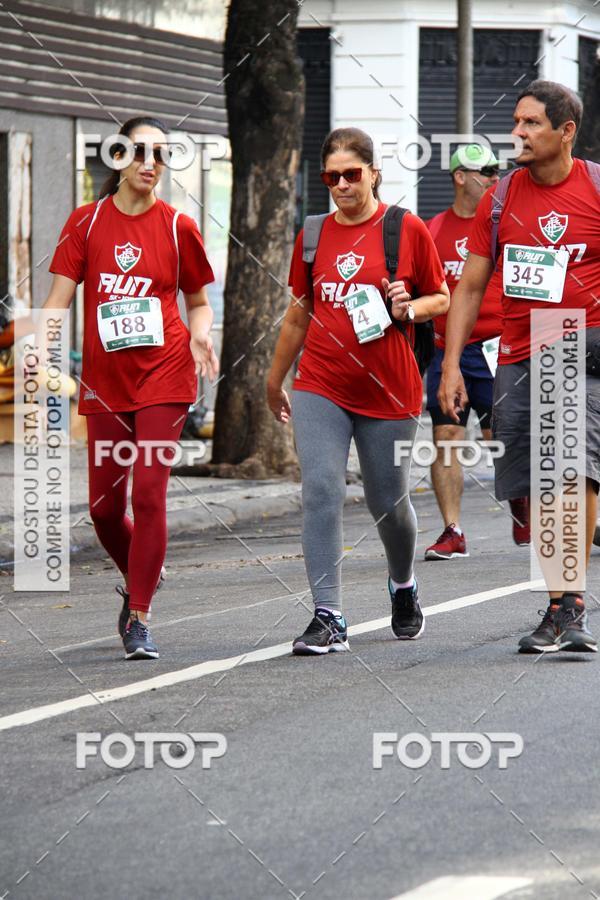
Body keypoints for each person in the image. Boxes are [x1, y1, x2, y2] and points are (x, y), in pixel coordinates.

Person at [267, 127, 449, 655]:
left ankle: (403, 583)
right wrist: (273, 380)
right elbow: (299, 314)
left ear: (373, 172)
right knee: (320, 490)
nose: (342, 185)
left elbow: (440, 296)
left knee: (387, 503)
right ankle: (328, 616)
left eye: (351, 174)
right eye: (332, 177)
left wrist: (407, 306)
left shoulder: (405, 228)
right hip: (321, 383)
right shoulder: (314, 233)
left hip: (389, 388)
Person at [43, 116, 218, 660]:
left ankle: (139, 615)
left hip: (165, 375)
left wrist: (200, 337)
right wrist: (38, 347)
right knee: (102, 507)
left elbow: (199, 302)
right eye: (140, 151)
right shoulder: (86, 223)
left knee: (148, 494)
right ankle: (145, 567)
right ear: (118, 156)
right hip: (105, 381)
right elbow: (58, 301)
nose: (150, 163)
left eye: (161, 155)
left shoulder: (177, 227)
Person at [438, 80, 600, 654]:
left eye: (531, 123)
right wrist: (452, 365)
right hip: (516, 349)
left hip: (581, 346)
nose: (518, 133)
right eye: (517, 122)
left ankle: (567, 603)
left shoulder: (597, 187)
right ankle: (564, 603)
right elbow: (469, 286)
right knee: (533, 482)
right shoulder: (501, 197)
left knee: (569, 469)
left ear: (566, 131)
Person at [424, 144, 530, 559]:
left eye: (495, 170)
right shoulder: (432, 231)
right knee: (447, 435)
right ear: (458, 176)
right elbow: (424, 290)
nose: (492, 176)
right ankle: (453, 530)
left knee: (498, 436)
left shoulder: (505, 225)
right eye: (483, 171)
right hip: (448, 348)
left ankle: (520, 498)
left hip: (497, 347)